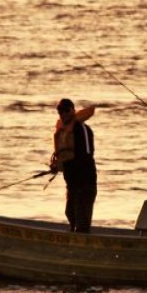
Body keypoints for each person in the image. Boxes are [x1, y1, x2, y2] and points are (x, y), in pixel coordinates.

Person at [51, 98, 97, 233]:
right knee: (70, 213)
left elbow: (86, 156)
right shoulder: (63, 131)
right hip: (72, 184)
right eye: (60, 111)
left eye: (66, 110)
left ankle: (81, 247)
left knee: (82, 222)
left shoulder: (82, 129)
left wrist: (65, 165)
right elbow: (64, 156)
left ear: (73, 110)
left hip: (85, 184)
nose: (63, 114)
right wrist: (57, 166)